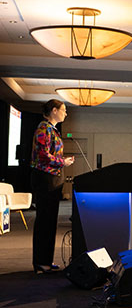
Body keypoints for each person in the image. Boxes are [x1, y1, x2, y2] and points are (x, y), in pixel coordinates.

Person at [30, 99, 75, 274]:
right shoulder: (44, 128)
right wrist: (61, 161)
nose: (66, 113)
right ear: (54, 110)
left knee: (49, 221)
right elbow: (43, 156)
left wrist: (63, 162)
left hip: (52, 178)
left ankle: (45, 261)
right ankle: (41, 262)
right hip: (45, 179)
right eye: (63, 110)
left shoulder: (51, 129)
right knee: (44, 221)